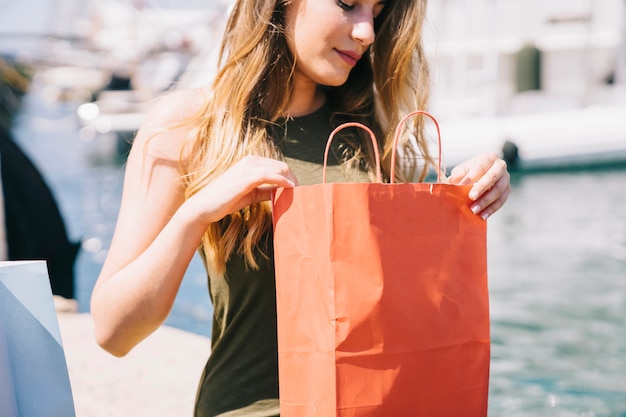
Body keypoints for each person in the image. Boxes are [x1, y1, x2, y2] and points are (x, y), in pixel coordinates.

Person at [90, 0, 511, 416]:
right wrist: (196, 213)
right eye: (348, 4)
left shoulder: (371, 133)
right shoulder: (187, 125)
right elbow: (114, 333)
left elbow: (408, 308)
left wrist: (469, 192)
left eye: (377, 14)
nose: (366, 31)